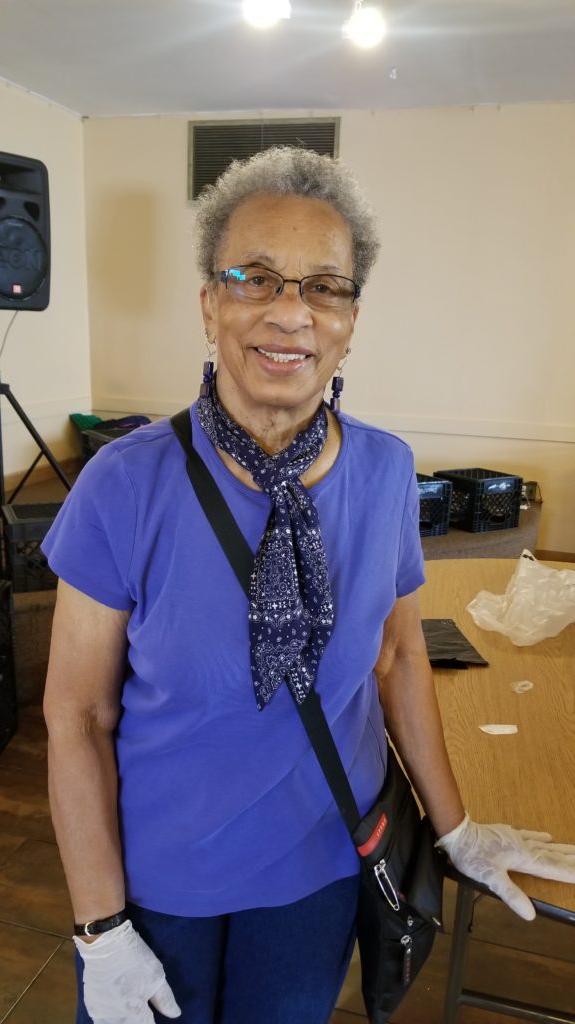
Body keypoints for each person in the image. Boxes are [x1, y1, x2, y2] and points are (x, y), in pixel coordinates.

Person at [42, 146, 575, 1024]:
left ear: (352, 319)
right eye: (255, 278)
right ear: (209, 303)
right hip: (155, 874)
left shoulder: (386, 471)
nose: (290, 311)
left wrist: (457, 828)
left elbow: (401, 657)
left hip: (321, 865)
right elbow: (76, 716)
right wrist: (99, 926)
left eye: (325, 285)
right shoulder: (125, 485)